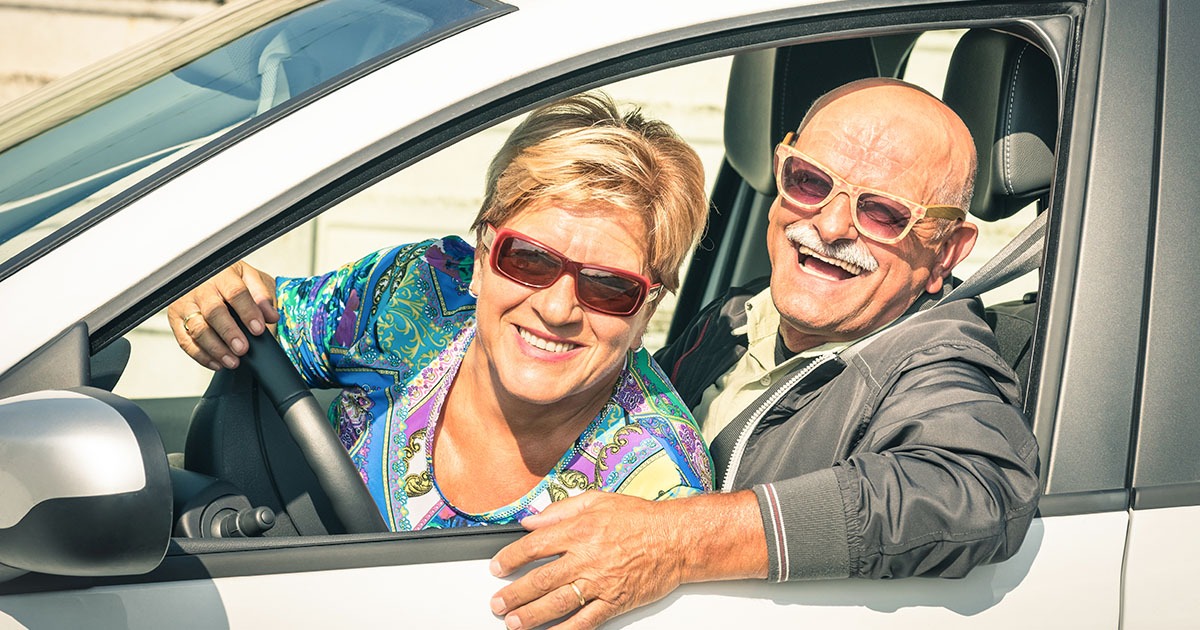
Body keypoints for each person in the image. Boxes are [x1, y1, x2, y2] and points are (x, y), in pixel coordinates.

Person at [488, 78, 1040, 629]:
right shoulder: (735, 315)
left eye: (883, 213)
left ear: (947, 251)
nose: (830, 226)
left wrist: (679, 540)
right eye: (810, 181)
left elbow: (977, 488)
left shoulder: (935, 362)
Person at [166, 93, 714, 530]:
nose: (556, 308)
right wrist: (208, 289)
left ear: (646, 314)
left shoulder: (655, 490)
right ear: (479, 260)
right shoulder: (416, 292)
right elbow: (264, 312)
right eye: (527, 259)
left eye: (609, 288)